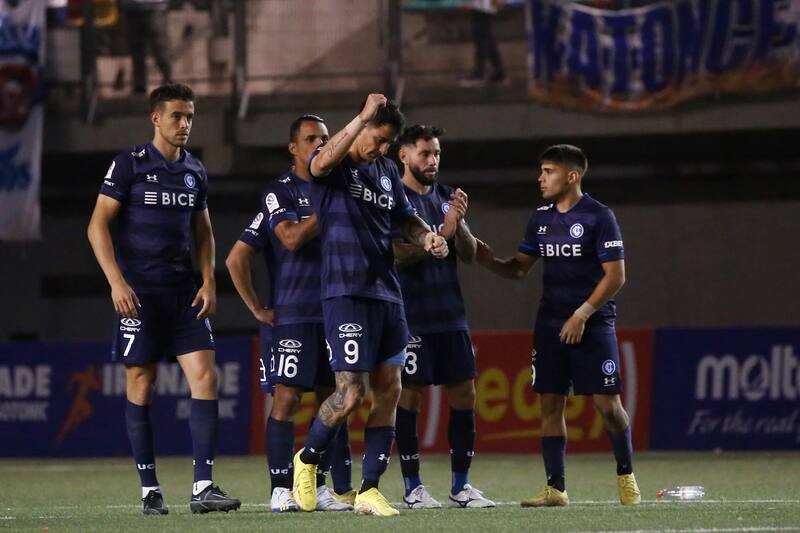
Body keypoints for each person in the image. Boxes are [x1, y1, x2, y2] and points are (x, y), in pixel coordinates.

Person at [291, 95, 449, 517]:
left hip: (388, 294)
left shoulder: (385, 173)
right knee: (351, 392)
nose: (382, 149)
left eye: (388, 143)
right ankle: (306, 462)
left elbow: (406, 218)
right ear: (361, 128)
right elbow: (318, 164)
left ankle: (369, 490)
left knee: (390, 390)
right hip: (346, 293)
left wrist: (427, 236)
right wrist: (361, 115)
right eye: (378, 139)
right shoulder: (335, 167)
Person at [86, 84, 240, 515]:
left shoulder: (195, 170)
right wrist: (116, 282)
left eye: (189, 116)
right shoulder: (130, 164)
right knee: (141, 383)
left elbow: (203, 232)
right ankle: (149, 489)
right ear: (156, 118)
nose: (185, 124)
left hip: (182, 294)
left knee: (206, 377)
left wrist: (209, 281)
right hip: (138, 296)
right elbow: (96, 225)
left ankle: (204, 486)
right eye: (176, 115)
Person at [474, 144, 641, 507]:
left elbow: (616, 277)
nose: (540, 178)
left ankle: (626, 474)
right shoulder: (541, 218)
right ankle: (556, 488)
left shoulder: (599, 216)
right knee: (550, 404)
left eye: (548, 171)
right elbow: (520, 268)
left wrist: (581, 314)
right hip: (550, 324)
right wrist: (490, 262)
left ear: (571, 176)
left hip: (593, 323)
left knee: (607, 406)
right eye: (541, 171)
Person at [225, 114, 354, 513]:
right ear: (293, 148)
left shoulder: (338, 185)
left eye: (325, 138)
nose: (319, 143)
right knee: (286, 399)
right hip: (294, 314)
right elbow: (256, 251)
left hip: (335, 309)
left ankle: (319, 487)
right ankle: (280, 488)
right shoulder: (279, 191)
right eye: (311, 138)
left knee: (334, 401)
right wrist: (256, 308)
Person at [392, 125, 495, 509]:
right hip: (410, 313)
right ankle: (413, 487)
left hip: (450, 313)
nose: (432, 160)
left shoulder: (446, 196)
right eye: (424, 153)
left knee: (465, 393)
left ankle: (460, 486)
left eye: (436, 153)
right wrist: (437, 236)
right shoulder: (393, 198)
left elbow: (467, 254)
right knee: (409, 397)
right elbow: (395, 254)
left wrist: (459, 224)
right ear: (404, 155)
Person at [119, 0, 172, 93]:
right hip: (131, 7)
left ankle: (168, 79)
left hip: (156, 6)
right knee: (136, 49)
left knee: (159, 46)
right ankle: (139, 85)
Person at [459, 0, 506, 86]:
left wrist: (466, 2)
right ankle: (499, 72)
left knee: (481, 39)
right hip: (484, 6)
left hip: (482, 6)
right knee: (487, 38)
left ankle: (479, 73)